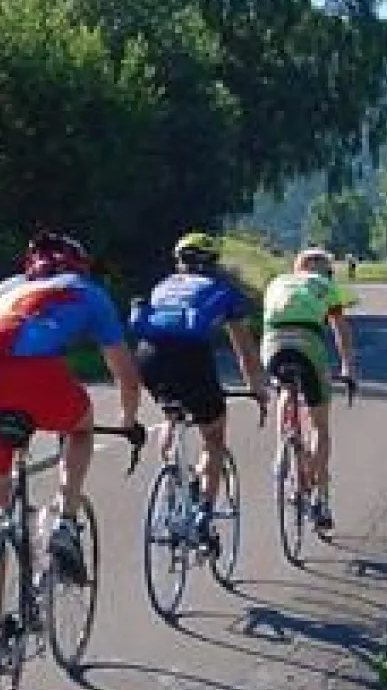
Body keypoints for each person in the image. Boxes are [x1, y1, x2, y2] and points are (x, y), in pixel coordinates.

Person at [0, 230, 143, 584]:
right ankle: (65, 520)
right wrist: (129, 421)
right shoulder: (86, 291)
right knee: (81, 427)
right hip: (37, 374)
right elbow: (126, 375)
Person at [128, 231, 270, 549]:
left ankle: (176, 477)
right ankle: (203, 512)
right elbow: (244, 351)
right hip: (190, 357)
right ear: (213, 262)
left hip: (148, 356)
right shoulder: (223, 290)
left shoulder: (162, 286)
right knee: (214, 434)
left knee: (172, 415)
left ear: (179, 262)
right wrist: (256, 388)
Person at [259, 247, 358, 532]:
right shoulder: (325, 286)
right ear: (326, 272)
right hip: (307, 344)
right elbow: (341, 331)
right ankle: (316, 489)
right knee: (320, 425)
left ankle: (283, 446)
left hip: (273, 343)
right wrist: (347, 368)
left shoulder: (278, 281)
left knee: (285, 389)